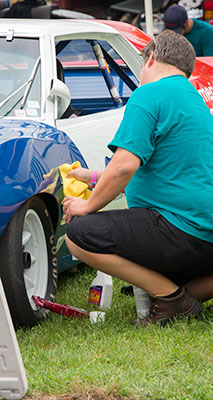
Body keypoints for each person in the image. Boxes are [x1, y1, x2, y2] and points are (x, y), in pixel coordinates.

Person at [62, 30, 213, 327]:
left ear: (151, 58)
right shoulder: (194, 101)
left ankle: (171, 298)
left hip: (179, 231)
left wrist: (87, 205)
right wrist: (89, 176)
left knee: (78, 235)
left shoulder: (149, 93)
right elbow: (153, 166)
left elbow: (123, 167)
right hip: (206, 237)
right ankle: (185, 296)